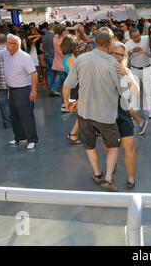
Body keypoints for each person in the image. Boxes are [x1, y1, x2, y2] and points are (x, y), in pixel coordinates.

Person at [62, 27, 133, 192]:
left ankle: (97, 173)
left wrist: (67, 103)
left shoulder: (80, 59)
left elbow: (68, 85)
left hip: (84, 114)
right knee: (113, 146)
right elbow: (123, 92)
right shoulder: (113, 64)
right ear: (110, 43)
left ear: (95, 41)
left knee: (89, 145)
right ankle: (108, 178)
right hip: (106, 115)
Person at [0, 34, 39, 150]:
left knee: (26, 115)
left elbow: (33, 74)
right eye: (7, 43)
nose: (7, 45)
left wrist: (33, 91)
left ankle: (32, 139)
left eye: (10, 43)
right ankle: (20, 137)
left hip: (24, 89)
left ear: (17, 45)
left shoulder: (25, 57)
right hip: (12, 89)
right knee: (14, 115)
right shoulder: (6, 53)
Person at [107, 41, 140, 188]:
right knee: (109, 146)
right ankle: (111, 167)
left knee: (129, 146)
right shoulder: (104, 68)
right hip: (106, 112)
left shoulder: (125, 70)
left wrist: (127, 74)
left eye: (122, 55)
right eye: (116, 54)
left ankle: (131, 177)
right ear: (109, 53)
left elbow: (135, 90)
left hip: (123, 111)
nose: (119, 57)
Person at [125, 28, 151, 120]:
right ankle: (134, 111)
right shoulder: (128, 44)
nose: (137, 38)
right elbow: (125, 55)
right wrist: (132, 51)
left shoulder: (146, 38)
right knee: (134, 91)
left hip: (146, 68)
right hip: (134, 69)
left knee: (148, 91)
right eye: (134, 37)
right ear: (131, 37)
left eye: (138, 35)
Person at [61, 36, 82, 144]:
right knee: (82, 113)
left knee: (84, 112)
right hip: (77, 87)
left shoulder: (68, 57)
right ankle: (72, 133)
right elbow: (76, 74)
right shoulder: (70, 58)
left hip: (75, 87)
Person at [40, 23, 56, 95]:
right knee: (59, 73)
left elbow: (41, 47)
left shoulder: (44, 37)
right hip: (54, 57)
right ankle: (53, 88)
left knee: (49, 73)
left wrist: (45, 52)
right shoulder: (55, 37)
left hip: (46, 57)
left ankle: (50, 89)